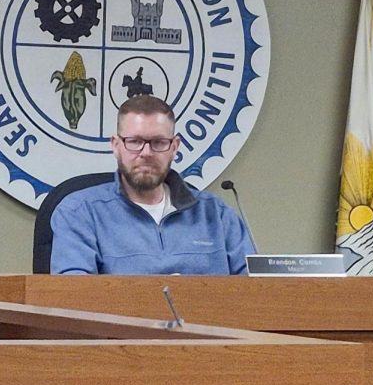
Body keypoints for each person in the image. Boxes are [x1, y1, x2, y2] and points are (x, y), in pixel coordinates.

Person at [49, 94, 254, 276]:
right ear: (116, 145)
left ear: (174, 147)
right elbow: (73, 299)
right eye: (135, 141)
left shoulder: (215, 214)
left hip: (206, 320)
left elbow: (259, 294)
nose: (146, 153)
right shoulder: (80, 212)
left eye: (158, 142)